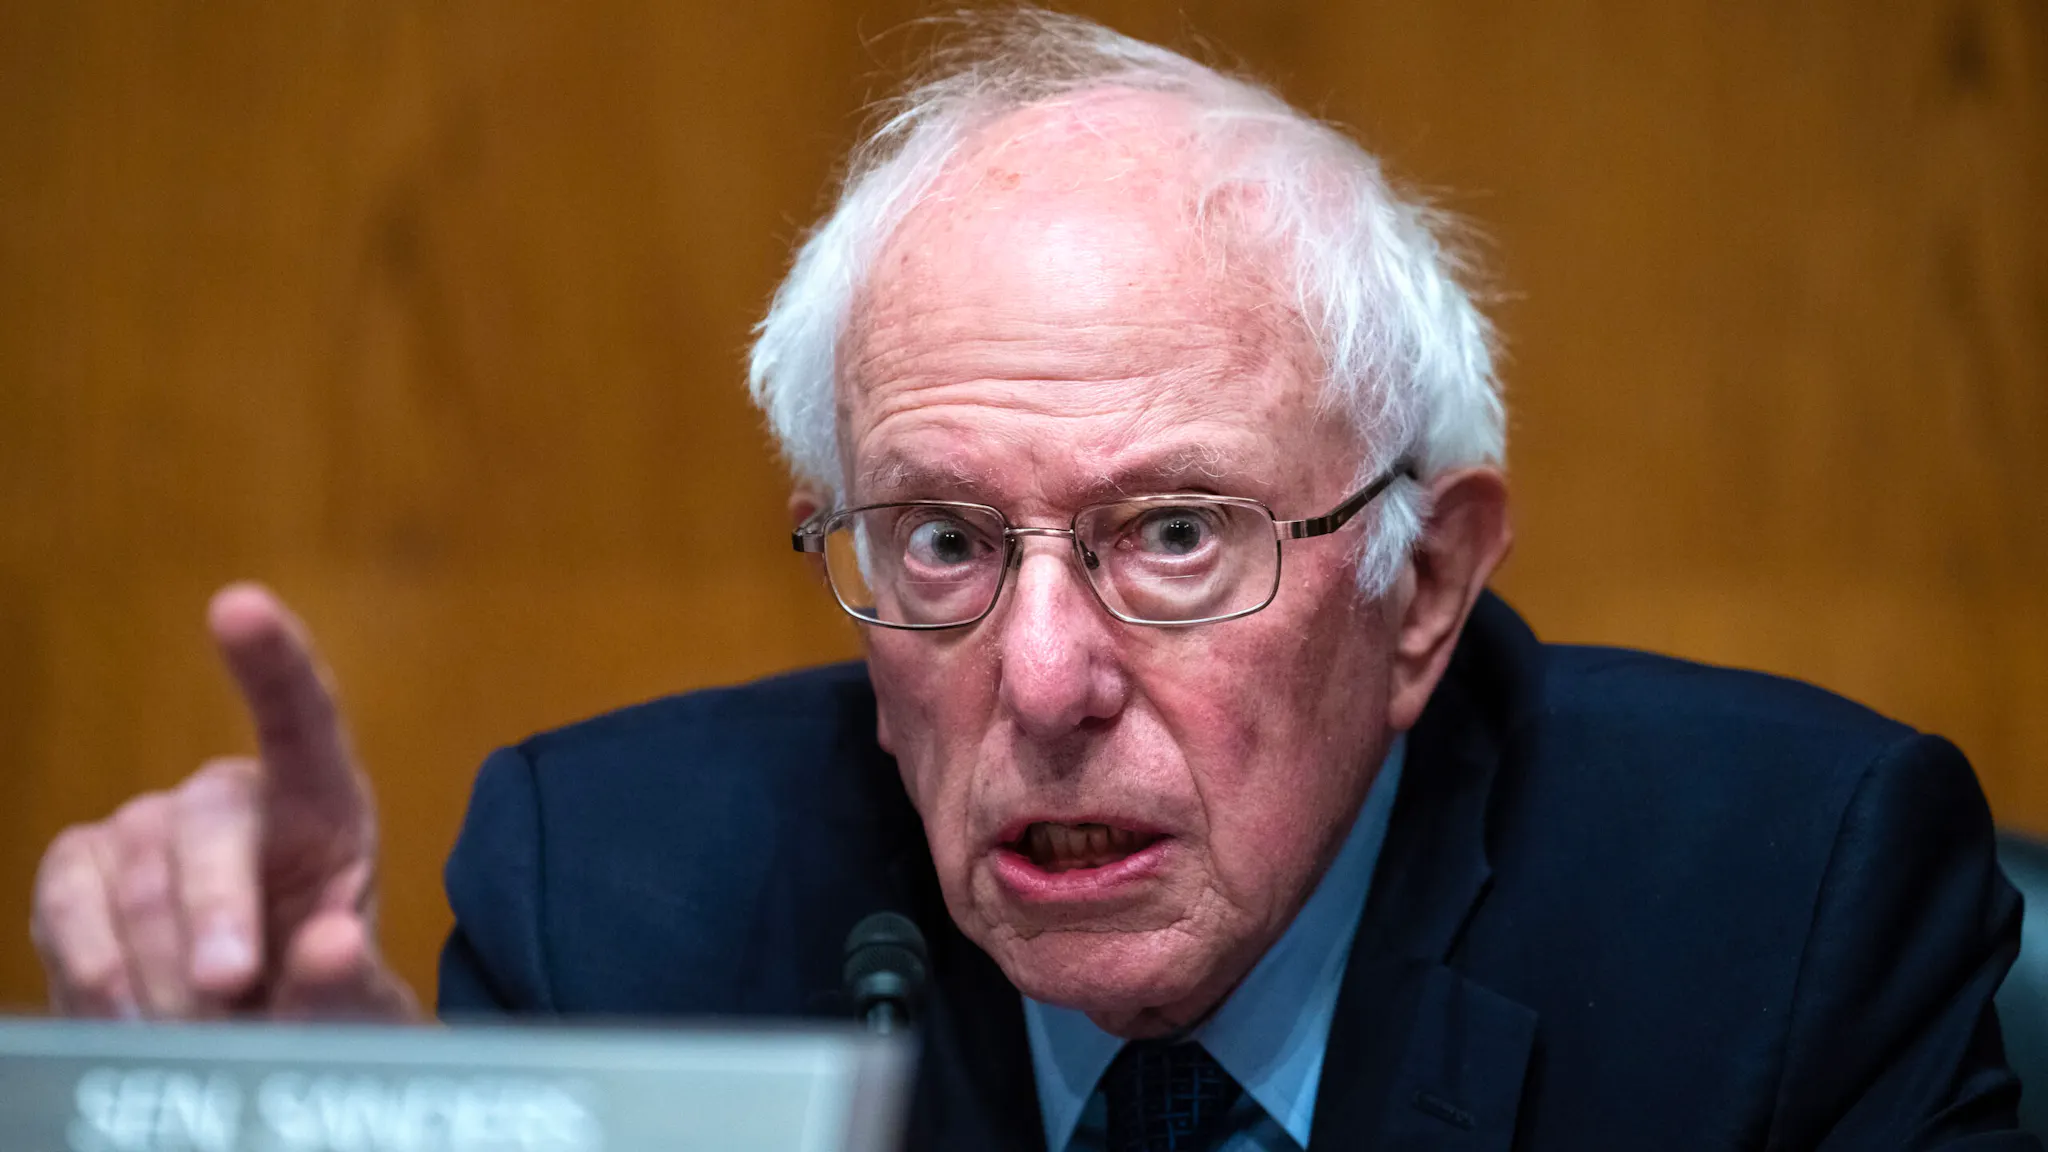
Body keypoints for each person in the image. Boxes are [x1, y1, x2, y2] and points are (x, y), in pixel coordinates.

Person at [27, 11, 2035, 1151]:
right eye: (942, 540)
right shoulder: (621, 903)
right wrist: (324, 1121)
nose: (1046, 677)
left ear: (1421, 587)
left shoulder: (1784, 912)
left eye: (1175, 533)